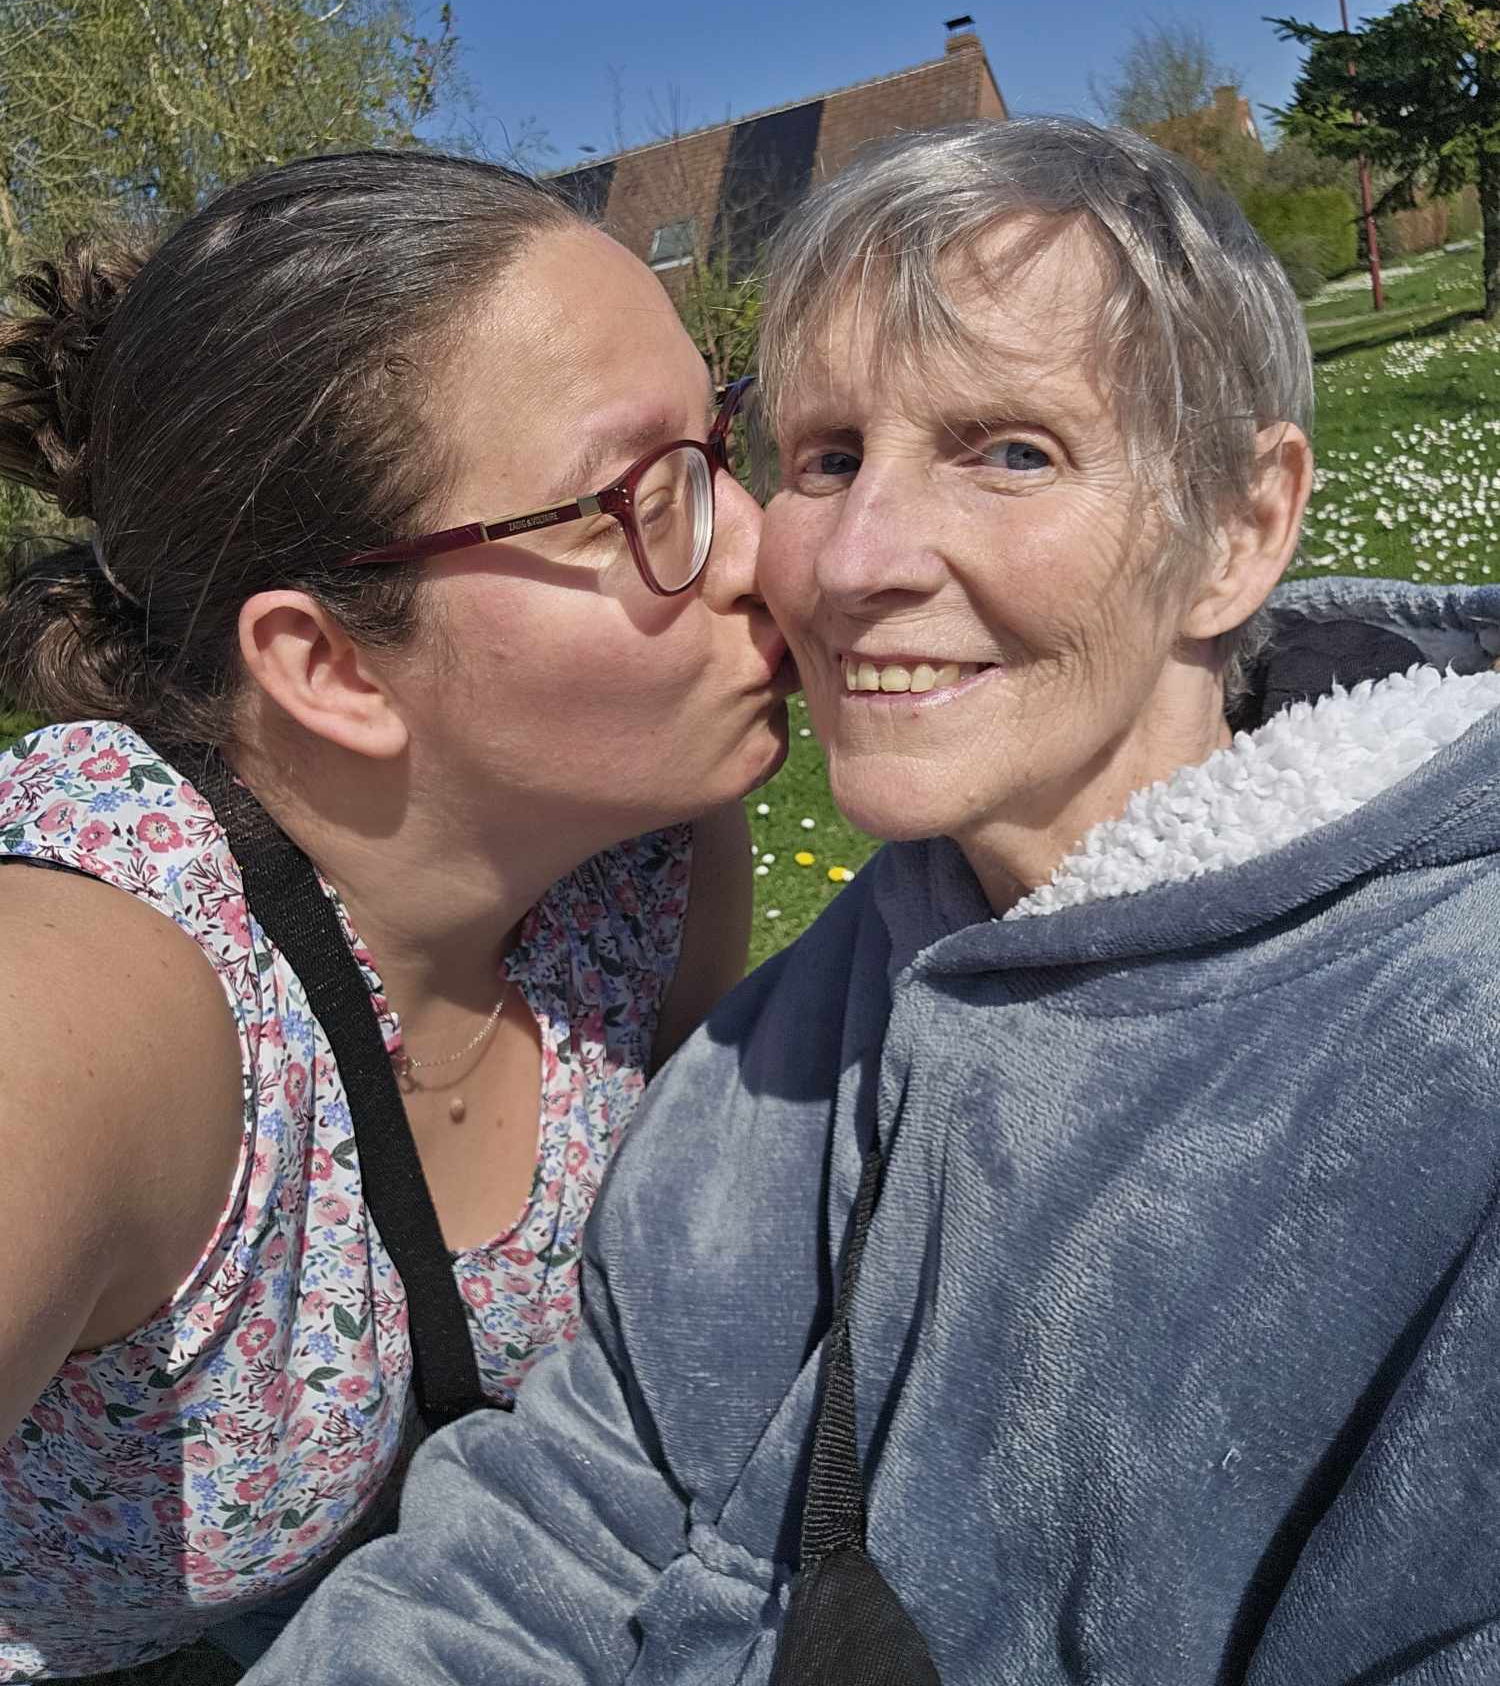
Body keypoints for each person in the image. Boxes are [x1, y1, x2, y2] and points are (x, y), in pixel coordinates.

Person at [241, 118, 1500, 1686]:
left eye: (1011, 450)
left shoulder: (1453, 1066)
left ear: (1240, 529)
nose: (849, 561)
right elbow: (565, 1513)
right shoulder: (795, 1030)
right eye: (826, 458)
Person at [0, 148, 795, 1678]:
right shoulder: (93, 990)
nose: (764, 545)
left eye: (722, 441)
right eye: (644, 498)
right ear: (332, 668)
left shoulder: (656, 870)